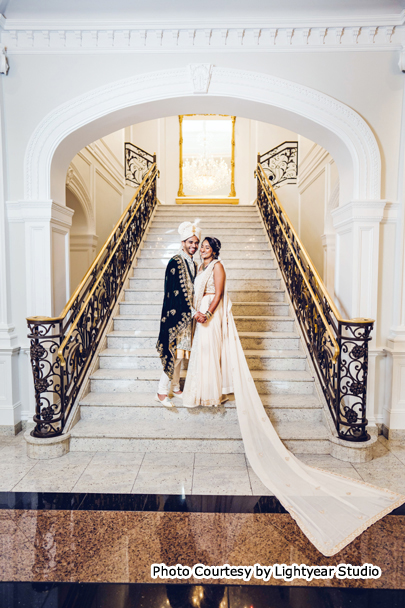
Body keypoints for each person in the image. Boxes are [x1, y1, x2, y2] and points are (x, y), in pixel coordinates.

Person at [182, 235, 405, 557]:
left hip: (210, 314)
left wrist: (208, 313)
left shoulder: (218, 266)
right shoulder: (200, 265)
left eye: (206, 246)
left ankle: (210, 392)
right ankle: (202, 391)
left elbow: (218, 294)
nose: (202, 249)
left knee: (208, 350)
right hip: (199, 312)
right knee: (203, 354)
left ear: (215, 250)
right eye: (200, 246)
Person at [156, 220, 206, 407]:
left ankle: (176, 387)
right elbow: (175, 292)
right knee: (175, 353)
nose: (193, 246)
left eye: (196, 243)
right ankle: (161, 392)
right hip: (177, 315)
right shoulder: (175, 262)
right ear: (182, 242)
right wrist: (193, 313)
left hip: (187, 316)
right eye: (190, 242)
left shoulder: (191, 263)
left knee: (181, 352)